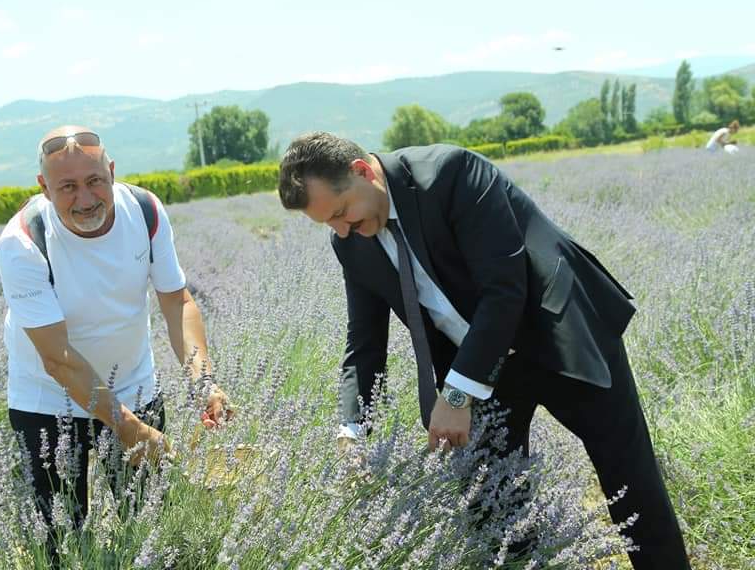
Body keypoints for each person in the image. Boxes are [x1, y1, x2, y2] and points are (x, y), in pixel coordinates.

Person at [277, 132, 691, 569]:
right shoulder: (351, 243)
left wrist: (455, 396)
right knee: (487, 502)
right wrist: (352, 431)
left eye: (342, 213)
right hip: (480, 366)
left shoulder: (450, 174)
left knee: (630, 478)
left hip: (557, 329)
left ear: (363, 172)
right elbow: (363, 342)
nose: (342, 230)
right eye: (329, 224)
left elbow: (504, 290)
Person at [0, 125, 232, 557]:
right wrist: (130, 428)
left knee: (156, 534)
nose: (85, 199)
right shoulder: (23, 242)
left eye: (94, 181)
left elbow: (177, 301)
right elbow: (58, 359)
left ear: (112, 172)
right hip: (49, 404)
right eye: (67, 187)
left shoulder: (144, 210)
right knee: (62, 545)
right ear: (44, 188)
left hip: (134, 387)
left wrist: (203, 382)